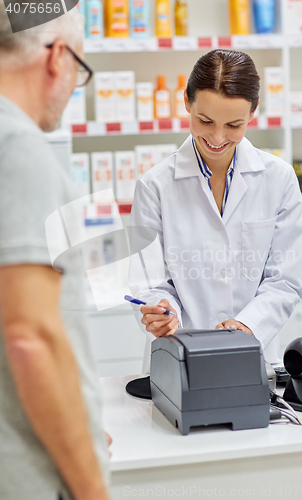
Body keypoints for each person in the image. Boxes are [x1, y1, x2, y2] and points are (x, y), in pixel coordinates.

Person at [129, 49, 302, 373]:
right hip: (179, 357)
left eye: (234, 124)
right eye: (205, 120)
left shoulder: (278, 179)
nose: (217, 137)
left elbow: (285, 281)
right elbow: (148, 282)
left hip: (252, 355)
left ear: (253, 112)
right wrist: (162, 311)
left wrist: (244, 325)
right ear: (187, 102)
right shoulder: (155, 186)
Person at [0, 3, 112, 500]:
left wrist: (75, 421)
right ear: (58, 57)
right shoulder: (18, 149)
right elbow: (31, 339)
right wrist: (90, 484)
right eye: (80, 72)